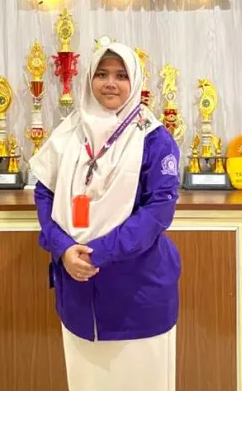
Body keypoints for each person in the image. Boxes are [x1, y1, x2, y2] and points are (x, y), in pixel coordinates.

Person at [31, 41, 181, 393]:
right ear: (89, 79)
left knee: (142, 393)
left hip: (137, 292)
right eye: (101, 74)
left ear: (135, 82)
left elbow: (158, 211)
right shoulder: (69, 132)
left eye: (120, 75)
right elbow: (45, 193)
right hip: (78, 290)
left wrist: (97, 253)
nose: (110, 83)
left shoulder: (153, 138)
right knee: (88, 388)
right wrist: (63, 249)